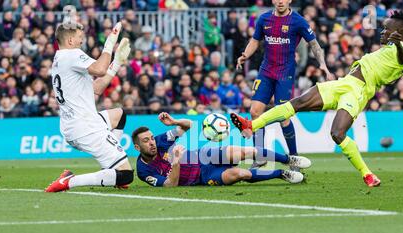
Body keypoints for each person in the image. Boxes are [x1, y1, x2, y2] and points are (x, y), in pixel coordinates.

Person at [231, 11, 403, 187]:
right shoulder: (389, 48)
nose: (382, 31)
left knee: (337, 134)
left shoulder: (402, 51)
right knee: (297, 103)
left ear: (398, 32)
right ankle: (250, 126)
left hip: (357, 92)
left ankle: (367, 174)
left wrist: (398, 45)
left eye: (386, 28)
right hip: (344, 83)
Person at [236, 0, 334, 169]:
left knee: (284, 116)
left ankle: (294, 159)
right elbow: (255, 40)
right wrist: (245, 54)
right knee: (254, 112)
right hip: (266, 71)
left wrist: (323, 64)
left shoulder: (298, 21)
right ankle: (260, 156)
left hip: (285, 73)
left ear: (289, 1)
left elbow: (314, 44)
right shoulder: (264, 19)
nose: (280, 1)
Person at [45, 21, 134, 192]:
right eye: (79, 37)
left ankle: (110, 169)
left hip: (75, 125)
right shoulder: (72, 55)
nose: (82, 41)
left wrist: (116, 63)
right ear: (70, 40)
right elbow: (100, 69)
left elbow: (96, 89)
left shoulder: (60, 59)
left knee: (119, 115)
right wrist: (109, 44)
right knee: (126, 175)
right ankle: (70, 181)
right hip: (86, 127)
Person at [132, 112, 312, 187]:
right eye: (146, 141)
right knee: (240, 174)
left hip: (204, 157)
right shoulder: (143, 170)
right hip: (202, 178)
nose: (152, 143)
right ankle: (281, 173)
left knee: (244, 151)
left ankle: (289, 159)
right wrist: (177, 161)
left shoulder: (161, 141)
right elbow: (169, 185)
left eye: (151, 138)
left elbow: (192, 126)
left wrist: (175, 122)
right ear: (137, 147)